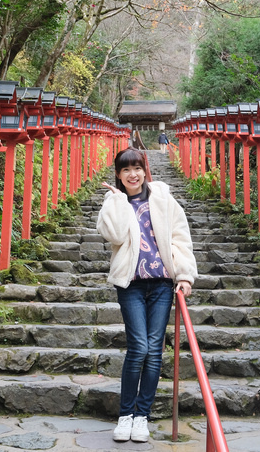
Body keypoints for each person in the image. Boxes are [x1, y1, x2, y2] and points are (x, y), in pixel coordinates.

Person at [96, 148, 196, 443]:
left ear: (145, 169)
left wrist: (185, 275)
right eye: (126, 170)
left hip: (163, 283)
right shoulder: (114, 201)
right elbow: (113, 235)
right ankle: (125, 415)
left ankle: (142, 417)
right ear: (118, 174)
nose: (132, 174)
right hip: (131, 285)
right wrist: (115, 200)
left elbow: (180, 236)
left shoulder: (163, 198)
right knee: (138, 347)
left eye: (137, 168)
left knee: (154, 351)